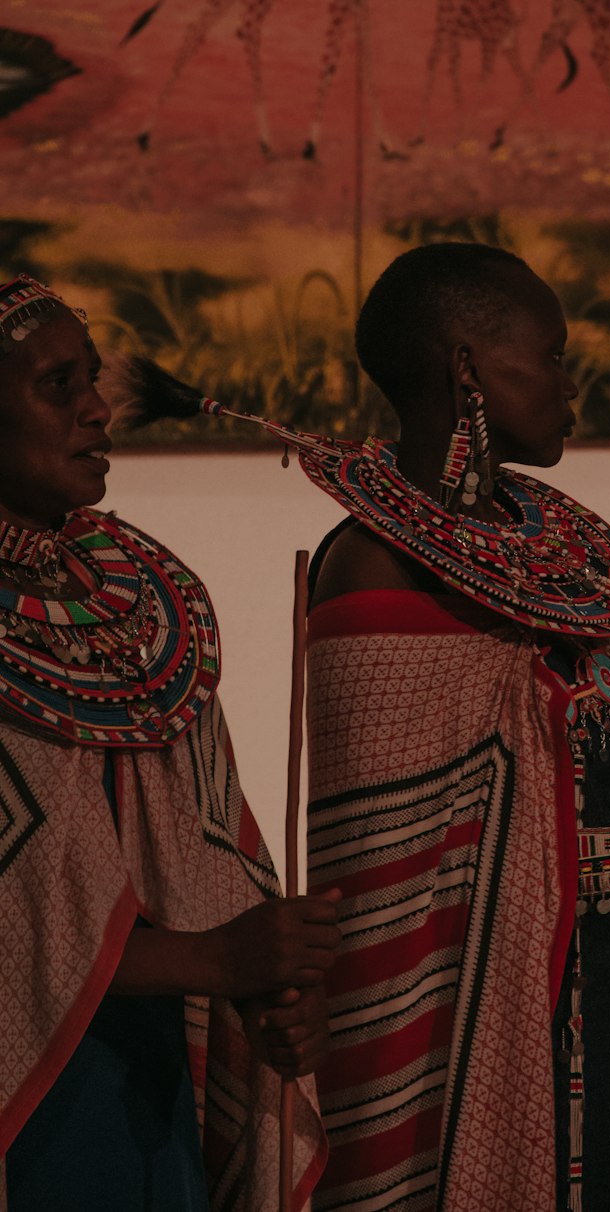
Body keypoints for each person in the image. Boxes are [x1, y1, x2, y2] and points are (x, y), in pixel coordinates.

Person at [113, 243, 610, 1212]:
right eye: (548, 356)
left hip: (601, 1009)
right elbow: (418, 885)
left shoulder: (537, 548)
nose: (568, 384)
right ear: (465, 365)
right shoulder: (373, 569)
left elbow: (567, 758)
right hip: (457, 1045)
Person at [0, 275, 340, 1210]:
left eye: (93, 379)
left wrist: (269, 985)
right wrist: (220, 961)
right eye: (57, 386)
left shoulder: (138, 615)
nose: (98, 409)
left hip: (146, 1088)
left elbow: (209, 867)